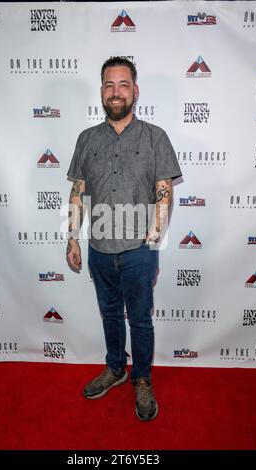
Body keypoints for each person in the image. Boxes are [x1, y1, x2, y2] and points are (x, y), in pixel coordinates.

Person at [66, 57, 182, 421]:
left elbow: (164, 191)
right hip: (99, 249)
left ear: (135, 91)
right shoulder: (87, 139)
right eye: (109, 85)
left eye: (123, 85)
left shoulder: (155, 137)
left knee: (141, 321)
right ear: (102, 91)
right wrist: (72, 239)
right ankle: (115, 369)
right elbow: (77, 192)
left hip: (138, 252)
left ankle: (142, 379)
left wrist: (154, 236)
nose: (116, 92)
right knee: (111, 315)